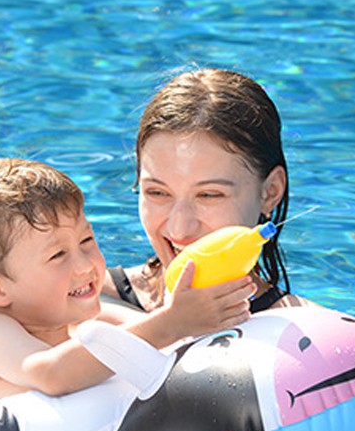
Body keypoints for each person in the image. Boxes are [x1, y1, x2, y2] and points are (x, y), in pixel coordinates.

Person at [0, 156, 255, 400]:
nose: (86, 265)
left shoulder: (96, 319)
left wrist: (195, 311)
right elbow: (53, 374)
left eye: (87, 241)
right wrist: (172, 322)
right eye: (57, 255)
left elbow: (166, 339)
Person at [105, 68, 310, 313]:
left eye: (209, 195)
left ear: (270, 192)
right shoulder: (82, 304)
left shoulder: (317, 336)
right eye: (157, 192)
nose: (179, 228)